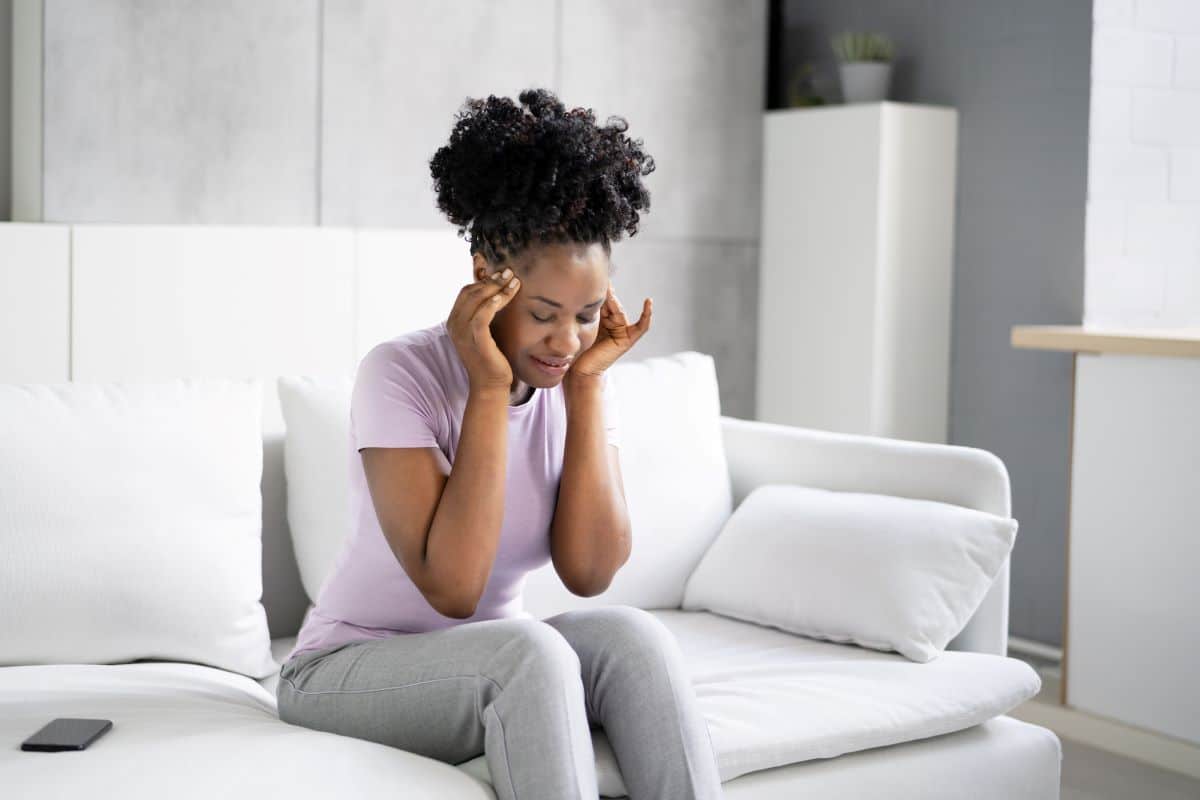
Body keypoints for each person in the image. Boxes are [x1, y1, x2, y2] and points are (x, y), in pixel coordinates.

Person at [275, 88, 723, 800]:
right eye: (545, 314)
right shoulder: (400, 374)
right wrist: (487, 389)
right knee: (528, 652)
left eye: (583, 315)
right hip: (345, 669)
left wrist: (586, 392)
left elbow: (589, 571)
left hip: (491, 656)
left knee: (634, 641)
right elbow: (454, 589)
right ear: (488, 274)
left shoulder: (570, 383)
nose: (568, 341)